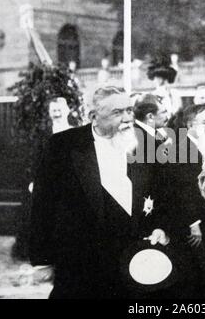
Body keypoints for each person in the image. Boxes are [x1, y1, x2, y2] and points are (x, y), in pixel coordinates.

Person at [29, 85, 170, 299]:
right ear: (93, 116)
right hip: (80, 263)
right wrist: (42, 260)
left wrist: (161, 226)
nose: (127, 118)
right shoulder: (63, 145)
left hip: (134, 262)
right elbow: (43, 204)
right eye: (117, 112)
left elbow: (163, 192)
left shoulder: (149, 144)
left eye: (129, 110)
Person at [163, 103, 205, 298]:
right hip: (192, 221)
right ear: (189, 124)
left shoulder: (204, 144)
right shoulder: (181, 147)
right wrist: (194, 224)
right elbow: (182, 189)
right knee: (195, 273)